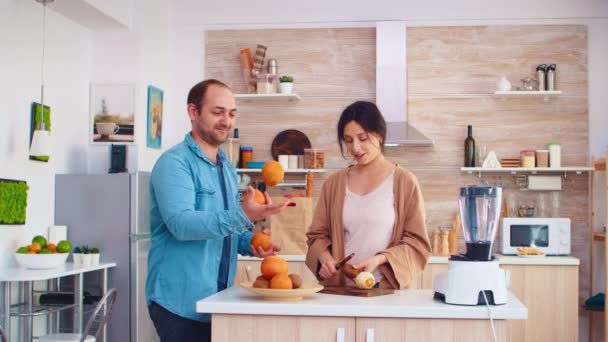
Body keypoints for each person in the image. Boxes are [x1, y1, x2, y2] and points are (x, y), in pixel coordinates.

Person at [146, 79, 287, 342]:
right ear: (193, 112)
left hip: (218, 301)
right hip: (179, 303)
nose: (226, 120)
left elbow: (225, 228)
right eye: (217, 112)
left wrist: (250, 243)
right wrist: (244, 215)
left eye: (231, 113)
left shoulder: (227, 168)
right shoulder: (174, 164)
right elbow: (182, 224)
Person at [305, 101, 431, 289]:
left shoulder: (404, 182)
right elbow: (316, 236)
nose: (355, 148)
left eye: (362, 138)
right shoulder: (333, 184)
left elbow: (417, 243)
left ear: (379, 136)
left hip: (385, 290)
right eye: (348, 140)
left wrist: (380, 259)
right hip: (340, 291)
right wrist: (325, 259)